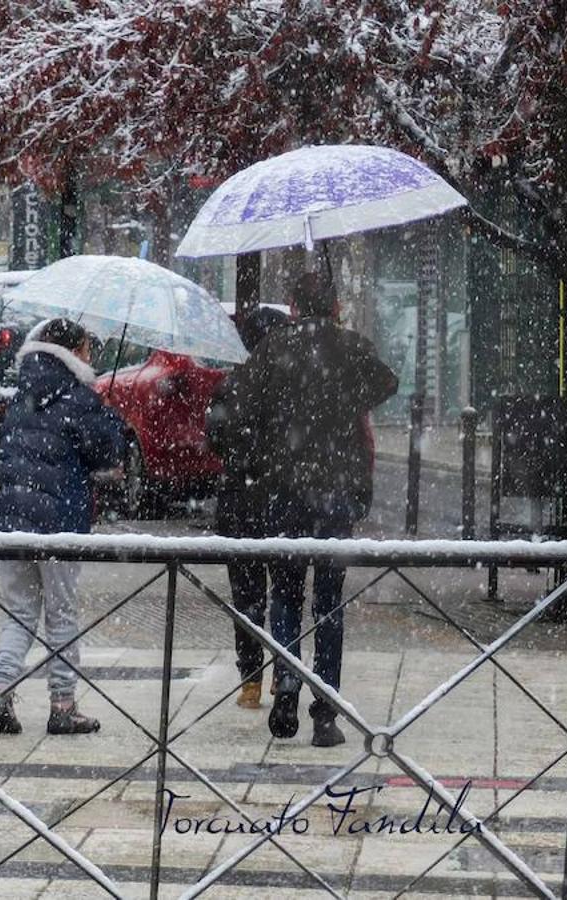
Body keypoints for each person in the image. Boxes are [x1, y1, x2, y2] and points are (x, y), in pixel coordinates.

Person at [207, 272, 398, 747]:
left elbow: (237, 411)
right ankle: (325, 711)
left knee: (285, 593)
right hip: (334, 492)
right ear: (332, 307)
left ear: (293, 307)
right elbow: (385, 383)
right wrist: (346, 353)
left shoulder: (273, 351)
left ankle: (286, 687)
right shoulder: (349, 346)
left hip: (284, 490)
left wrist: (259, 444)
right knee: (328, 601)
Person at [0, 318, 127, 735]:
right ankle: (63, 705)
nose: (91, 355)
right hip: (59, 522)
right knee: (61, 612)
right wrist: (110, 421)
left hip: (13, 520)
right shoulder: (79, 397)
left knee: (21, 611)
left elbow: (2, 451)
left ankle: (1, 686)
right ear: (74, 351)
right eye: (87, 347)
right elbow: (105, 456)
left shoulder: (21, 393)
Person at [209, 303, 293, 711]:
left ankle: (250, 681)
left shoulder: (231, 384)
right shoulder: (292, 386)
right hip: (281, 500)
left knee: (246, 596)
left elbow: (215, 440)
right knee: (285, 590)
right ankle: (284, 670)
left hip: (239, 502)